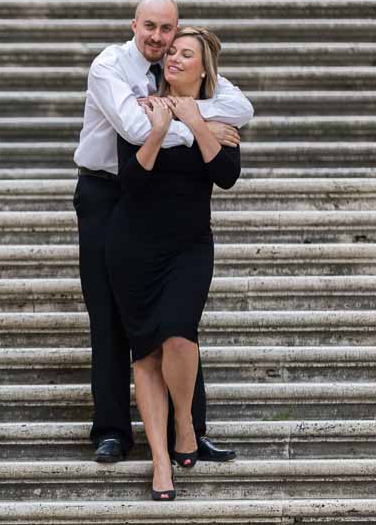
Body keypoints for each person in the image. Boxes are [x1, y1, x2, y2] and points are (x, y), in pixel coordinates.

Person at [72, 0, 252, 464]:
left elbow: (241, 108)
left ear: (177, 30)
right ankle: (112, 430)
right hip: (107, 192)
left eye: (166, 29)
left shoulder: (175, 65)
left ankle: (190, 432)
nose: (158, 38)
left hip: (158, 200)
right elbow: (136, 129)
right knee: (109, 315)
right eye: (149, 27)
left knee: (178, 322)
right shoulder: (110, 66)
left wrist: (191, 113)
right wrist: (199, 126)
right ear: (134, 24)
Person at [105, 26, 240, 500]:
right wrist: (160, 129)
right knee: (146, 353)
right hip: (134, 245)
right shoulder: (140, 106)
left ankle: (185, 422)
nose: (176, 59)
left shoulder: (220, 113)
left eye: (187, 55)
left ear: (204, 69)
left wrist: (195, 122)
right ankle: (161, 461)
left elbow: (225, 176)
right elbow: (131, 183)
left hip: (189, 246)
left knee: (180, 335)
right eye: (173, 53)